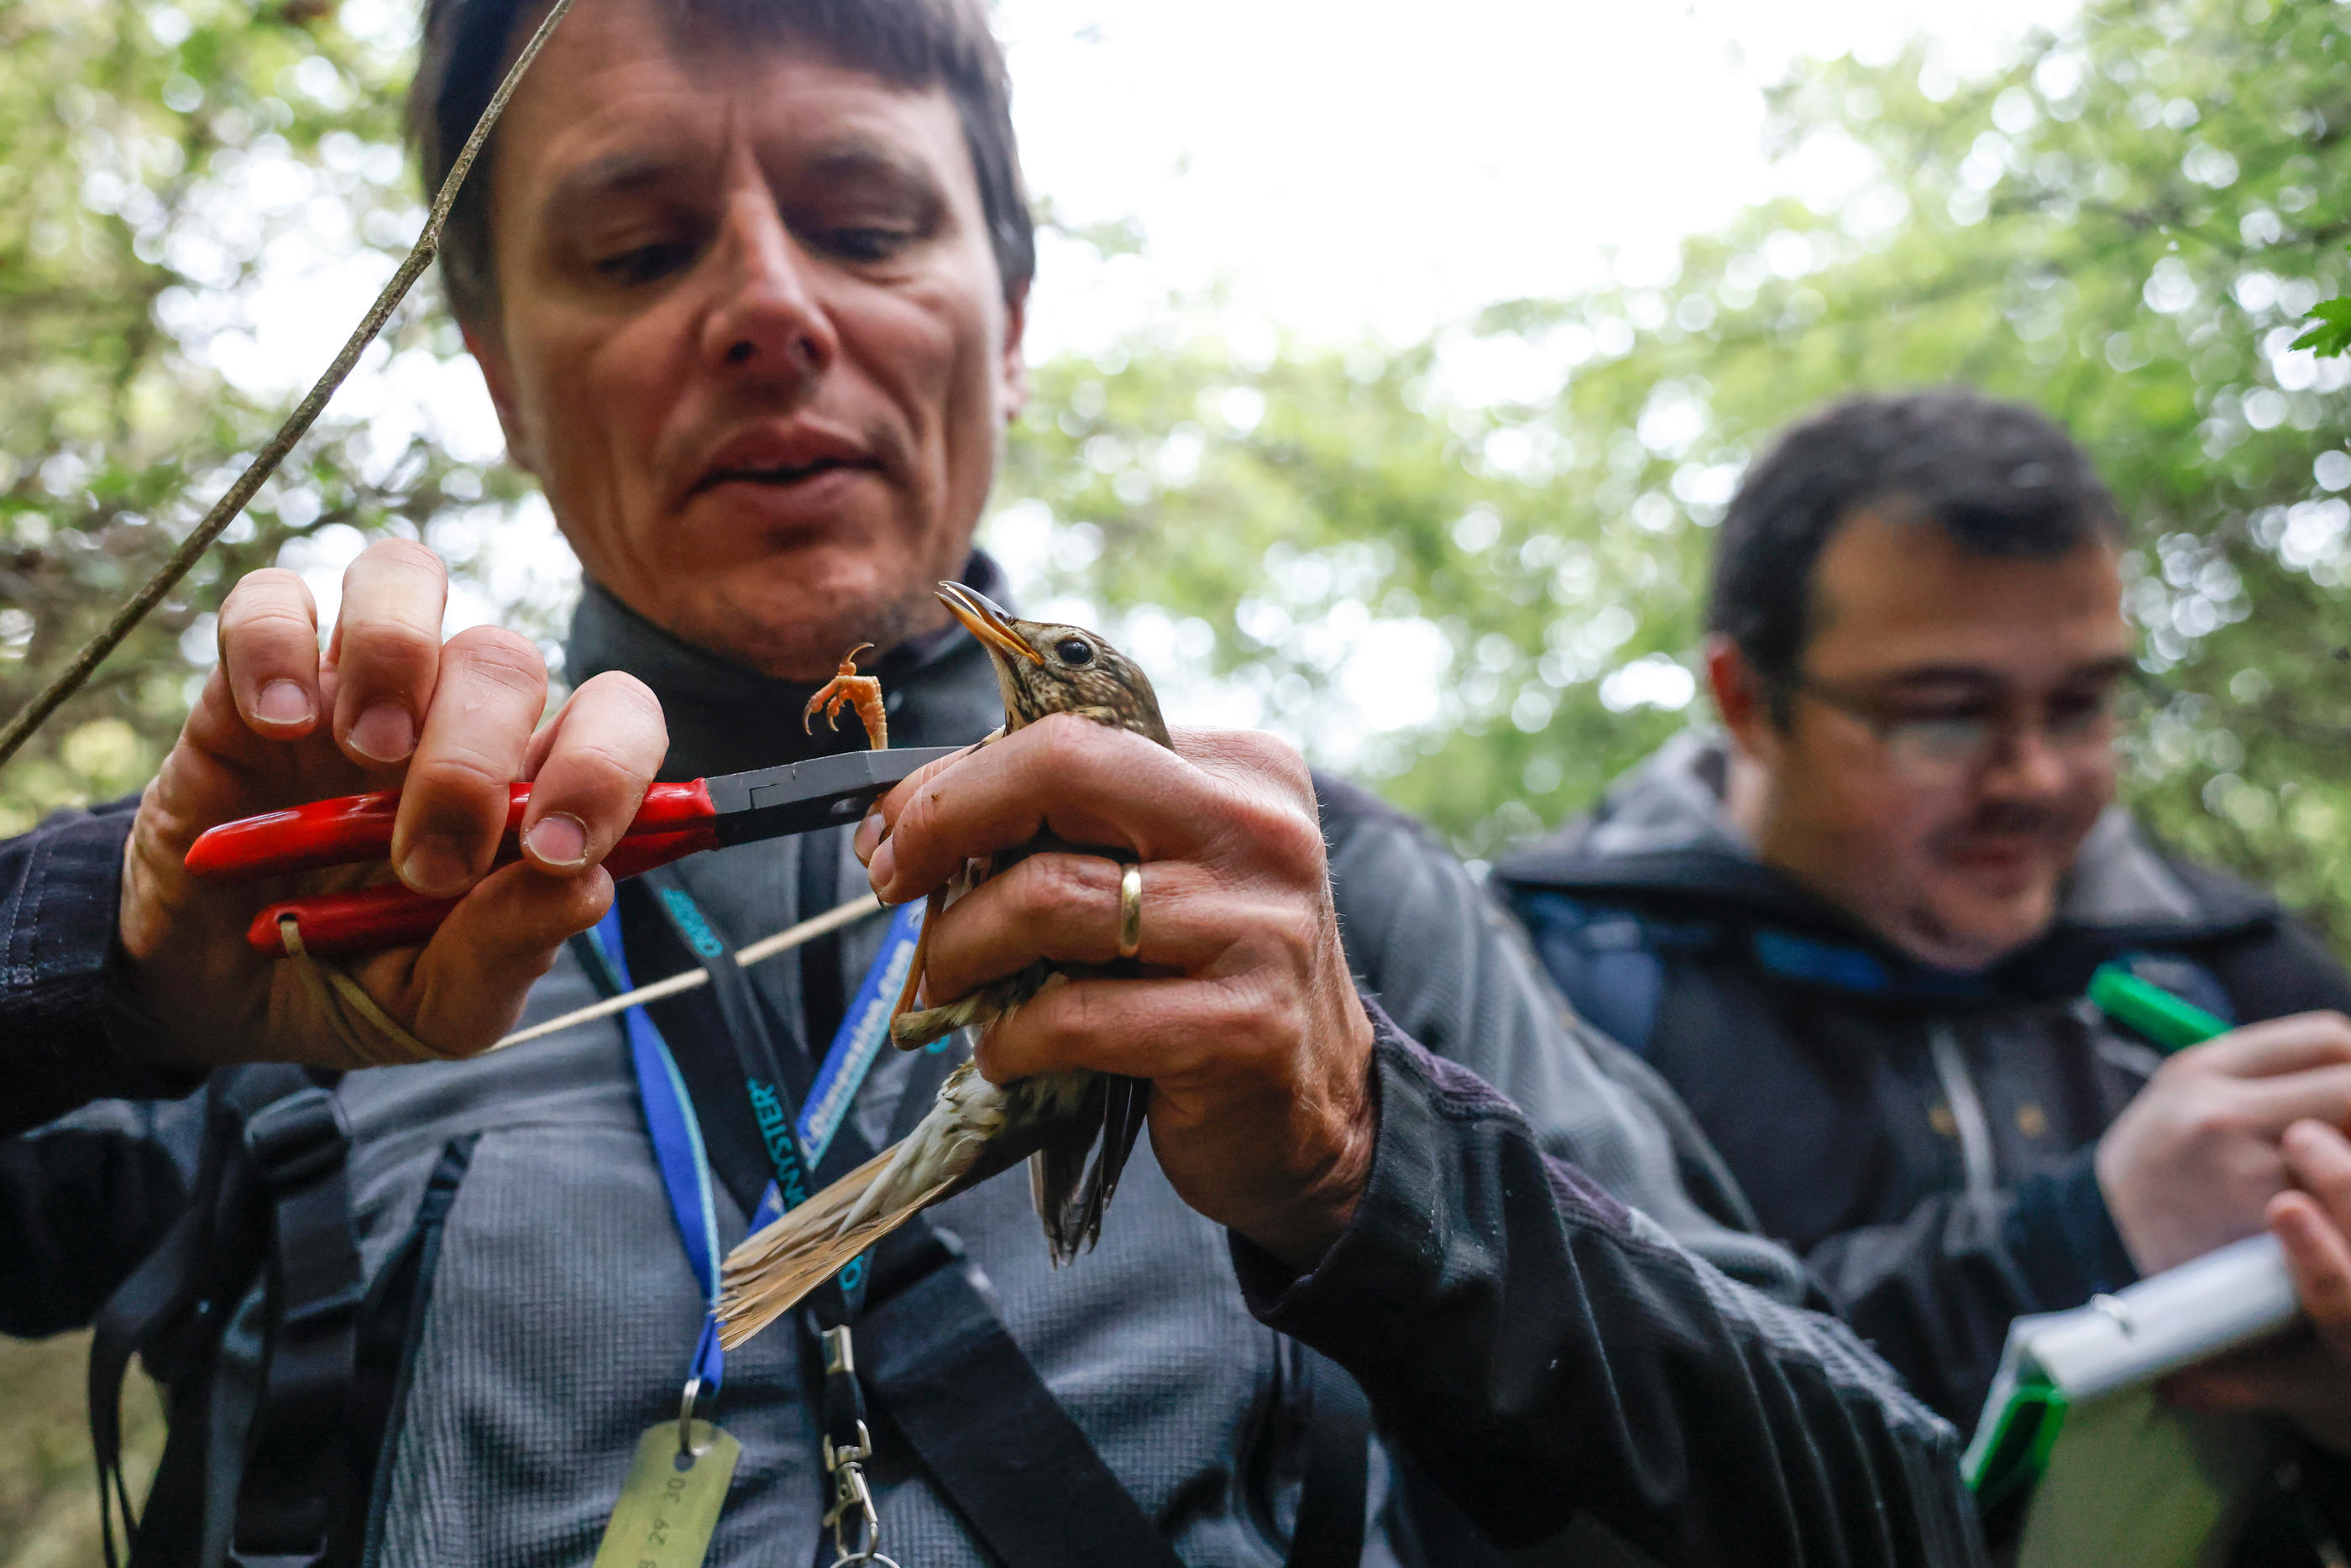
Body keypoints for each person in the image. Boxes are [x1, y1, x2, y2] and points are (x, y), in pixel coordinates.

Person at [0, 4, 1981, 1564]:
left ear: (1006, 321)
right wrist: (107, 951)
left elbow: (1892, 1503)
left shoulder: (1320, 904)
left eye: (866, 224)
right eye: (634, 243)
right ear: (501, 369)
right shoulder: (308, 903)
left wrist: (1371, 1163)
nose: (774, 307)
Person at [1498, 389, 2351, 1559]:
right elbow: (1561, 1421)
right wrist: (2093, 1236)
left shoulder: (2237, 964)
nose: (2037, 778)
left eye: (2085, 704)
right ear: (1749, 702)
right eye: (1945, 717)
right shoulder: (1548, 983)